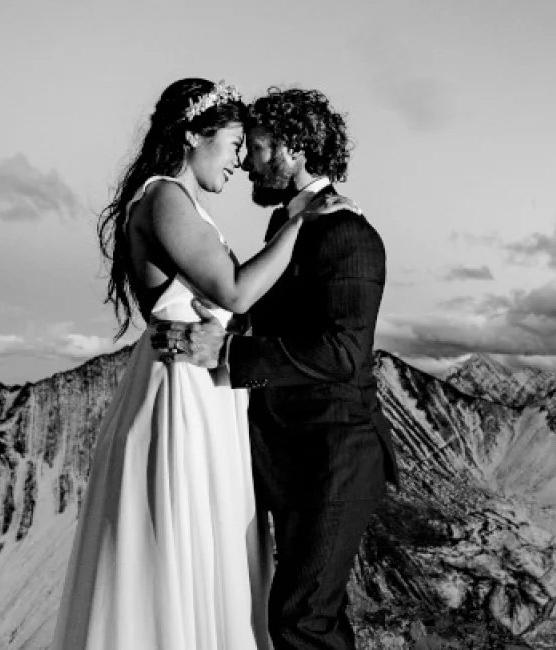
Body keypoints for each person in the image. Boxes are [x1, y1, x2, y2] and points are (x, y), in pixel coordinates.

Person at [52, 78, 356, 650]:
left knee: (208, 550)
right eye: (235, 143)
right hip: (180, 395)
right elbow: (237, 291)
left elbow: (234, 309)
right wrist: (306, 220)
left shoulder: (183, 204)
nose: (241, 162)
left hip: (207, 389)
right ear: (193, 134)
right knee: (180, 547)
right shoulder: (164, 196)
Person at [152, 85, 397, 650]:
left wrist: (228, 354)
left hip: (335, 453)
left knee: (301, 623)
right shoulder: (288, 227)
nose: (247, 162)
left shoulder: (348, 234)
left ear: (293, 150)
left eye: (258, 148)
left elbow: (344, 354)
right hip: (288, 455)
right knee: (311, 619)